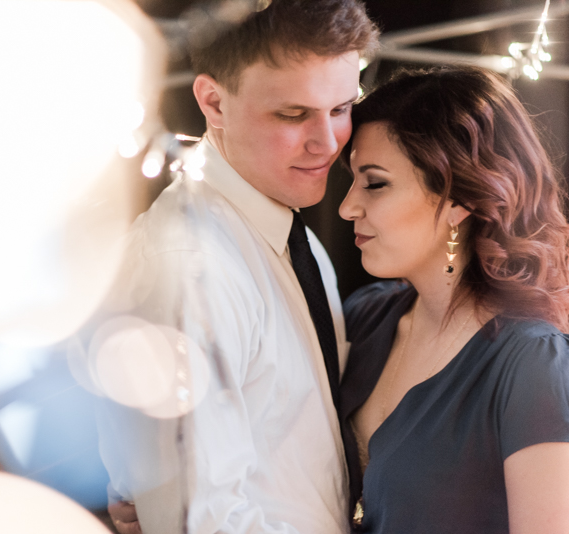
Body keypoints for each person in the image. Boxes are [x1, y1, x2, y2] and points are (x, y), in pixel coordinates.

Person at [97, 2, 379, 533]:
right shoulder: (191, 265)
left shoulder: (294, 236)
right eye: (294, 115)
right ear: (213, 102)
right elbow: (199, 521)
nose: (327, 142)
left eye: (342, 108)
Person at [337, 65, 569, 534]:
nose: (346, 206)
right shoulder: (363, 318)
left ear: (459, 197)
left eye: (375, 182)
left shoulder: (539, 367)